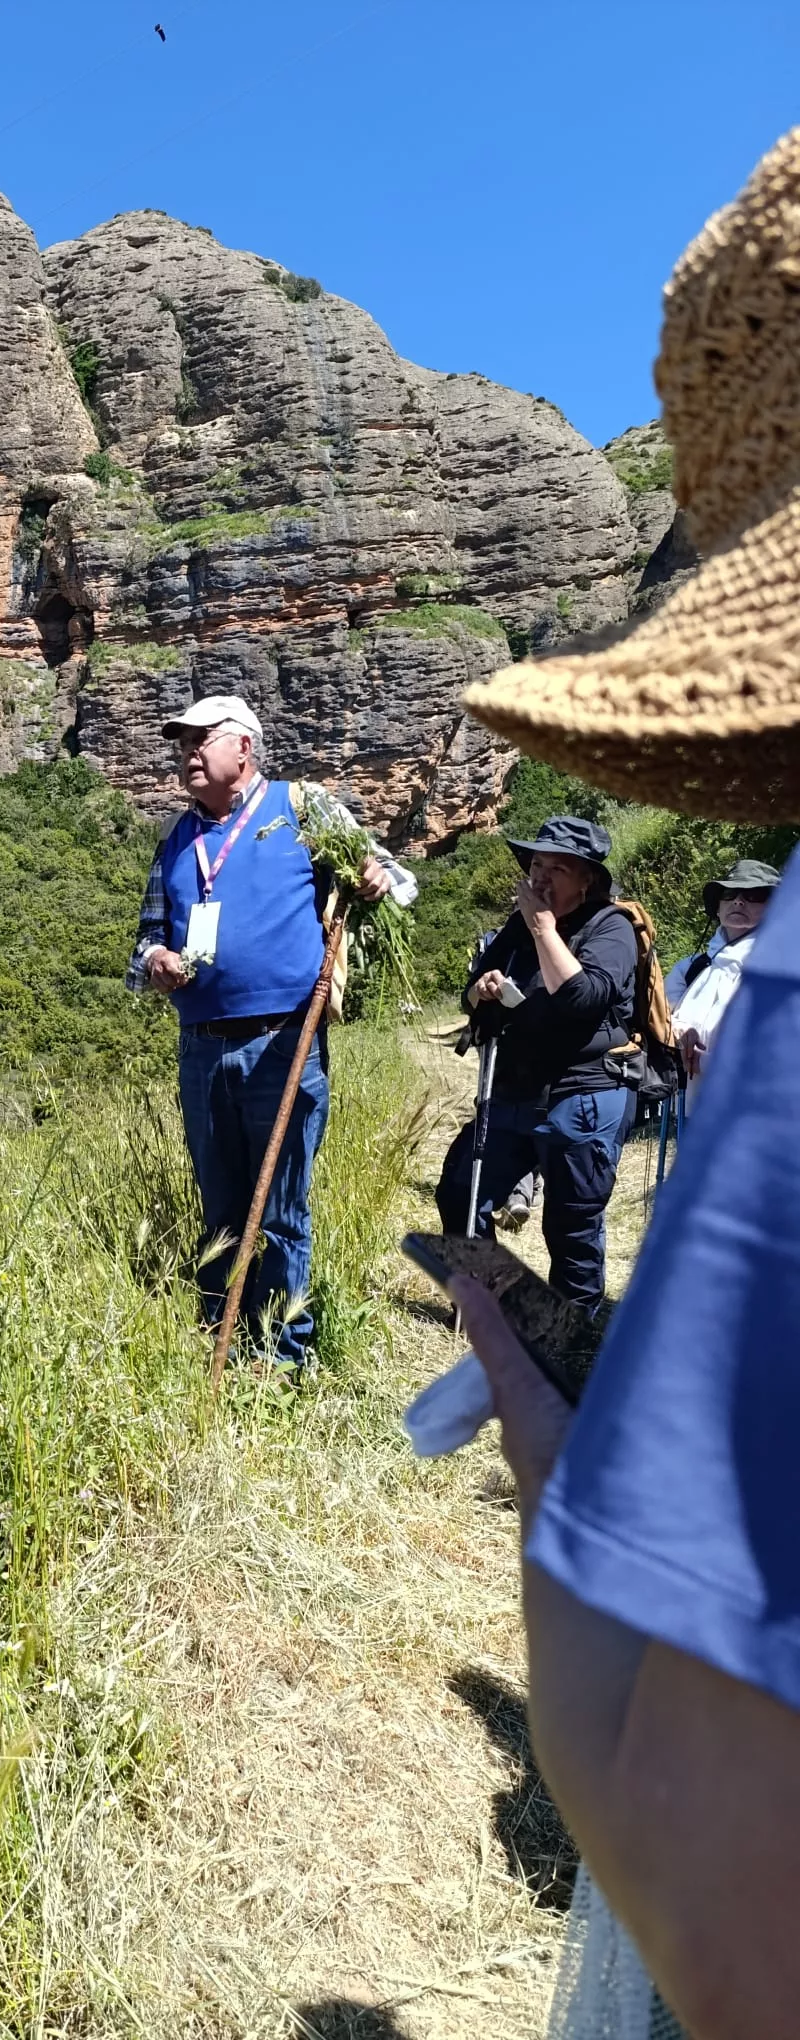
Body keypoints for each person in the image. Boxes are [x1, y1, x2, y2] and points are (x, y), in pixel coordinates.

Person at [458, 123, 800, 2035]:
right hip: (539, 1105)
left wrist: (545, 1466)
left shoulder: (731, 966)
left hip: (597, 1121)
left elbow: (716, 1891)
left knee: (574, 1287)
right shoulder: (542, 935)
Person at [127, 693, 416, 1369]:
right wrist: (156, 960)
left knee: (281, 1205)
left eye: (201, 740)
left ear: (244, 748)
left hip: (282, 1041)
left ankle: (284, 1355)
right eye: (182, 745)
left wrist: (374, 879)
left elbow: (400, 884)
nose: (188, 754)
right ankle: (220, 1335)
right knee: (222, 1203)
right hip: (201, 1049)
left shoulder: (302, 807)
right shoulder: (176, 839)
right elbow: (142, 942)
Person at [435, 816, 638, 1308]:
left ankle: (575, 1326)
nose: (540, 876)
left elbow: (582, 998)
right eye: (536, 864)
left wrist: (545, 928)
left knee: (571, 1221)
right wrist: (480, 991)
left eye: (558, 868)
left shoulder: (612, 928)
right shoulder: (516, 927)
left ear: (587, 879)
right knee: (460, 1192)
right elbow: (474, 990)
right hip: (516, 1088)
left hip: (585, 1093)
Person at [663, 858, 780, 1084]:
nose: (738, 902)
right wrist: (679, 1033)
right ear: (717, 907)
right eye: (729, 894)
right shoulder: (689, 968)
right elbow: (662, 1017)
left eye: (753, 895)